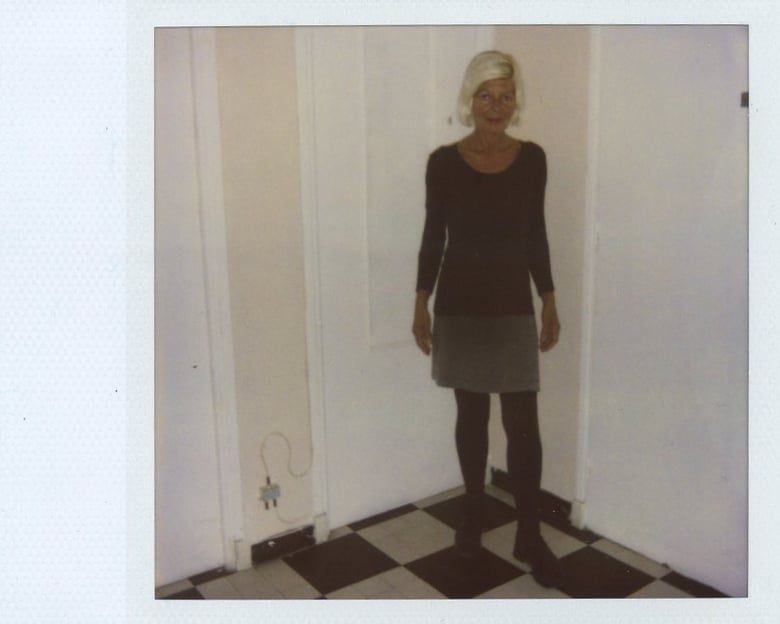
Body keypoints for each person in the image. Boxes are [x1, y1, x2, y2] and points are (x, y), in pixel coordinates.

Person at [412, 50, 563, 589]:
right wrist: (420, 301)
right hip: (459, 307)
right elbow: (434, 236)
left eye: (504, 96)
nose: (495, 106)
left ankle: (529, 534)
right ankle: (472, 518)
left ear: (514, 102)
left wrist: (548, 297)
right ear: (469, 100)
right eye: (485, 95)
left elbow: (535, 232)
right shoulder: (442, 163)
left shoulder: (533, 159)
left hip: (512, 306)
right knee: (471, 418)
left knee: (523, 426)